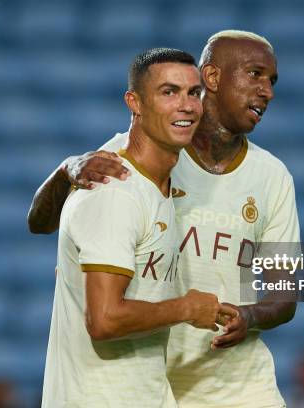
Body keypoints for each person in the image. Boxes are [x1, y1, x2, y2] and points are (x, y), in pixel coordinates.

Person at [31, 30, 300, 407]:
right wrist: (66, 169)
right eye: (255, 74)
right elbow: (41, 223)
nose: (267, 91)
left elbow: (285, 294)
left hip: (237, 385)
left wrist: (249, 315)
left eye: (271, 81)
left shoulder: (273, 176)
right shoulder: (133, 162)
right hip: (154, 377)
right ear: (213, 77)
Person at [41, 48, 236, 408]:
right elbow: (103, 320)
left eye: (194, 93)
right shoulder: (115, 193)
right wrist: (188, 309)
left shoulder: (159, 183)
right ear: (135, 102)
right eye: (169, 92)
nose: (187, 105)